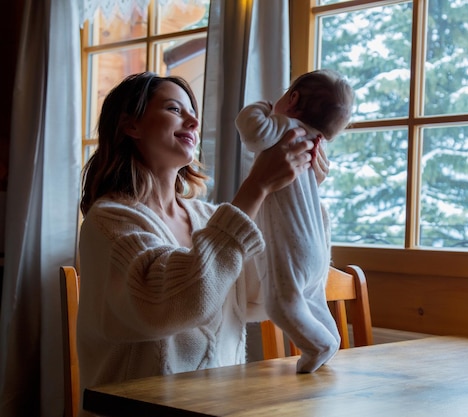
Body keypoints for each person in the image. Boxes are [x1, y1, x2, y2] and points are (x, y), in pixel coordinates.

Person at [77, 72, 327, 416]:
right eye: (174, 109)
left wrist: (302, 194)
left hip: (222, 407)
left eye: (192, 111)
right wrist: (256, 186)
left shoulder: (209, 218)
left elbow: (263, 294)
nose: (193, 120)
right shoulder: (108, 221)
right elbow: (174, 304)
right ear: (130, 126)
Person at [235, 69, 354, 372]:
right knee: (313, 299)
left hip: (292, 245)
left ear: (293, 98)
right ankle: (330, 336)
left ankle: (318, 344)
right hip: (316, 249)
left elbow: (249, 129)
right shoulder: (314, 143)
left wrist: (262, 106)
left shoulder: (284, 127)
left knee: (281, 304)